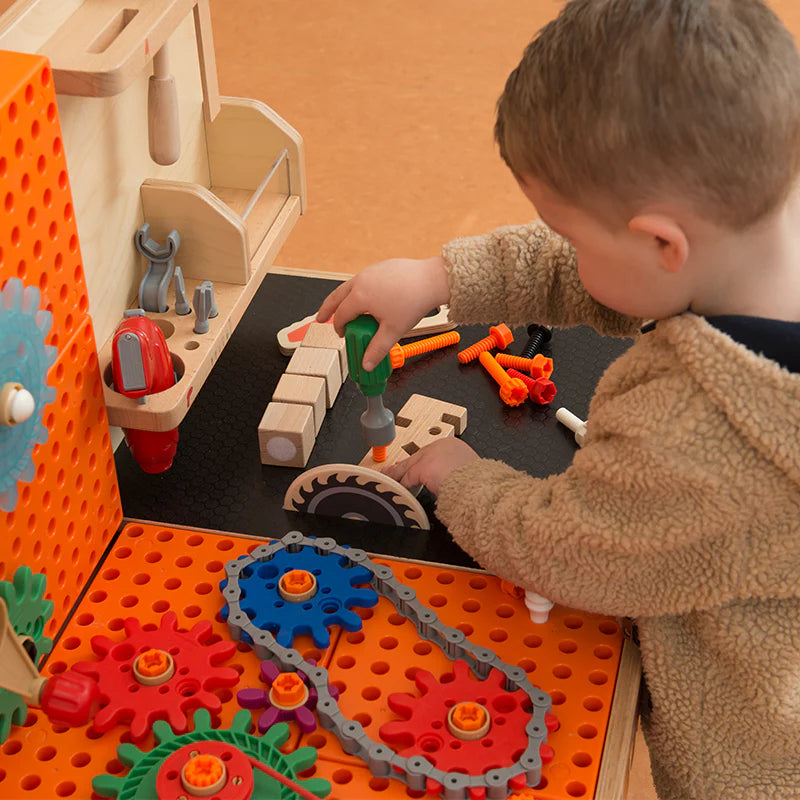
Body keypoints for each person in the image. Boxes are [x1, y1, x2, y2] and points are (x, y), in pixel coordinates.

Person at [316, 1, 800, 798]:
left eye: (572, 233)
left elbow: (572, 553)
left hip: (755, 757)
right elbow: (603, 270)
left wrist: (461, 477)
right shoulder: (752, 235)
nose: (567, 250)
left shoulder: (700, 432)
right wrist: (439, 277)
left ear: (663, 242)